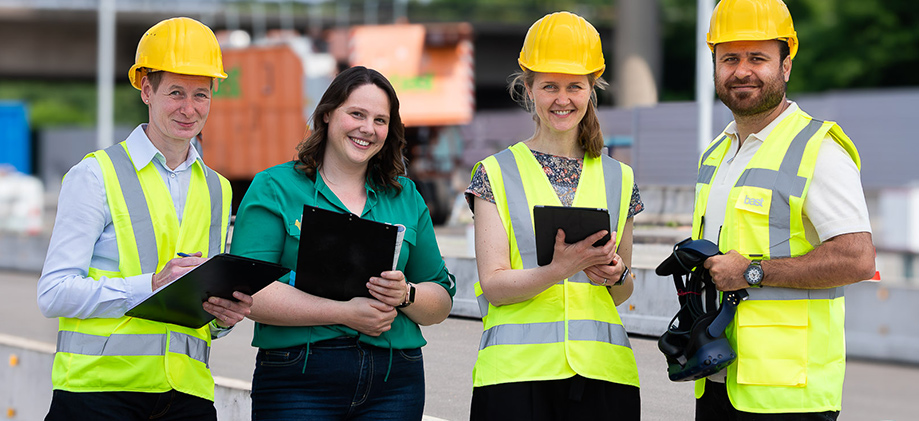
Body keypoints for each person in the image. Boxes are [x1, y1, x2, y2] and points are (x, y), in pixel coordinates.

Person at [37, 17, 253, 421]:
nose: (189, 109)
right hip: (98, 393)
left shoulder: (218, 189)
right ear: (146, 90)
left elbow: (198, 309)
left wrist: (223, 317)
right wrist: (151, 285)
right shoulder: (95, 175)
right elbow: (53, 293)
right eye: (175, 93)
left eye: (201, 95)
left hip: (187, 394)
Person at [230, 65, 456, 420]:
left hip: (395, 380)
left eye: (380, 120)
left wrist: (406, 294)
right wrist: (345, 313)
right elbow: (248, 290)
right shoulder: (274, 187)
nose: (368, 128)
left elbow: (440, 301)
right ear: (326, 116)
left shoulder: (406, 196)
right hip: (298, 378)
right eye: (356, 114)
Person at [692, 0, 877, 419]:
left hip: (791, 394)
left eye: (758, 58)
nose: (741, 71)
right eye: (729, 58)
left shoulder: (819, 150)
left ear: (786, 65)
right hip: (717, 375)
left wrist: (753, 272)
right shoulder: (716, 154)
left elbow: (857, 258)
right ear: (715, 65)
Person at [465, 11, 642, 420]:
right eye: (549, 86)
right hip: (515, 378)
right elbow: (493, 285)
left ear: (591, 88)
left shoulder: (621, 178)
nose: (563, 99)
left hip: (603, 376)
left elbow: (621, 290)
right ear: (528, 88)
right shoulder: (494, 173)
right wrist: (559, 269)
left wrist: (615, 273)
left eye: (574, 86)